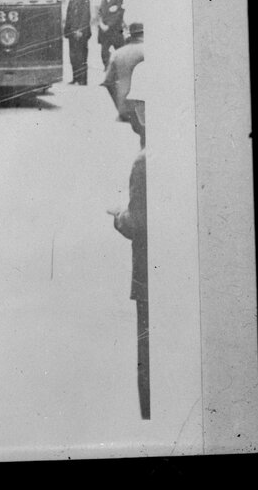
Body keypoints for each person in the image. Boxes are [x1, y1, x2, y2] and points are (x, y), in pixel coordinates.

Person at [107, 58, 149, 419]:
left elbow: (136, 224)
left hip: (148, 278)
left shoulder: (144, 161)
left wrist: (118, 218)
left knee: (148, 357)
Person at [103, 18, 145, 123]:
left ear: (130, 34)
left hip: (126, 106)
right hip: (147, 105)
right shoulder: (150, 51)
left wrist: (119, 105)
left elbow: (108, 82)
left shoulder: (117, 54)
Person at [62, 0, 91, 85]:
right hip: (72, 33)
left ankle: (83, 80)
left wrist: (81, 30)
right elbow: (70, 15)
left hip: (80, 33)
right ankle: (76, 78)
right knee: (73, 56)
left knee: (81, 56)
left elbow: (85, 15)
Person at [96, 0, 126, 69]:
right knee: (104, 53)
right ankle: (108, 73)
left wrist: (108, 26)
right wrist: (101, 23)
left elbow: (118, 15)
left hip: (115, 31)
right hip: (104, 32)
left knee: (120, 53)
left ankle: (118, 74)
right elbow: (100, 12)